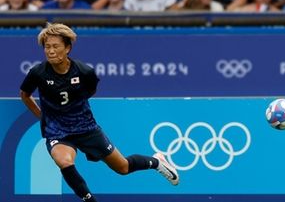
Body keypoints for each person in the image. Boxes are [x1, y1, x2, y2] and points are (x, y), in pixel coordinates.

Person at [20, 23, 179, 202]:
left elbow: (90, 91)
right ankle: (89, 199)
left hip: (86, 128)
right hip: (57, 131)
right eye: (47, 47)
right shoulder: (38, 73)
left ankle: (156, 161)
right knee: (64, 161)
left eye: (55, 46)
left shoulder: (84, 71)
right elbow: (25, 95)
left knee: (123, 168)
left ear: (68, 48)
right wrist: (42, 116)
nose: (50, 51)